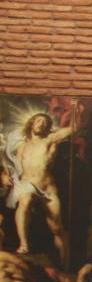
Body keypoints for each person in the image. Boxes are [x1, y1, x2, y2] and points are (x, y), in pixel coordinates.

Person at [7, 112, 75, 265]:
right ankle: (23, 244)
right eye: (38, 120)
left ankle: (66, 262)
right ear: (31, 123)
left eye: (45, 121)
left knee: (56, 227)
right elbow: (16, 168)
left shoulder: (50, 139)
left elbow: (73, 128)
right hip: (27, 184)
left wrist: (75, 108)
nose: (41, 123)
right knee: (25, 201)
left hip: (46, 186)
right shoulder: (23, 147)